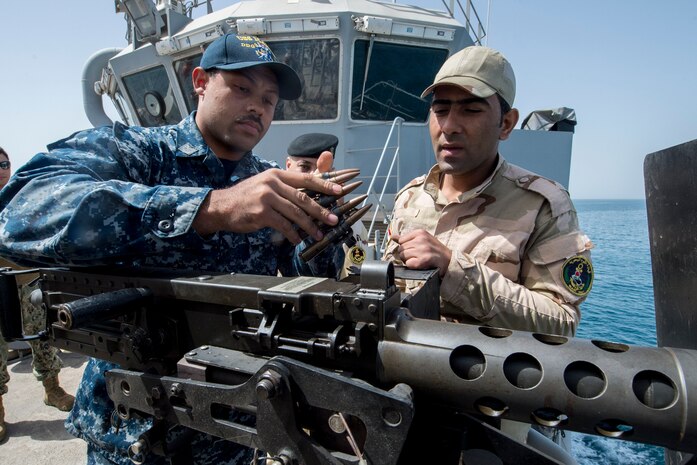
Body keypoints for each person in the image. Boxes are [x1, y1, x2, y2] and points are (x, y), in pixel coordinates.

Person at [0, 34, 346, 464]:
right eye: (242, 89)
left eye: (269, 99)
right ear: (200, 82)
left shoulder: (271, 184)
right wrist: (209, 207)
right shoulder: (142, 154)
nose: (257, 107)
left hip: (230, 432)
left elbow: (305, 278)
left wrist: (323, 229)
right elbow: (21, 209)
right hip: (132, 430)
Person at [383, 46, 593, 338]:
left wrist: (453, 269)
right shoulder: (409, 197)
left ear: (506, 124)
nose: (449, 126)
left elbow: (560, 322)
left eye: (470, 110)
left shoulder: (545, 205)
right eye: (440, 110)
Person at [0, 146, 75, 443]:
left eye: (5, 162)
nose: (2, 168)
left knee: (42, 338)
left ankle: (52, 390)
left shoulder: (23, 198)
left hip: (28, 281)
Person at [286, 133, 370, 278]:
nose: (313, 177)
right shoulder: (273, 216)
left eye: (326, 173)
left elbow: (361, 271)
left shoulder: (355, 225)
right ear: (288, 166)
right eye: (305, 167)